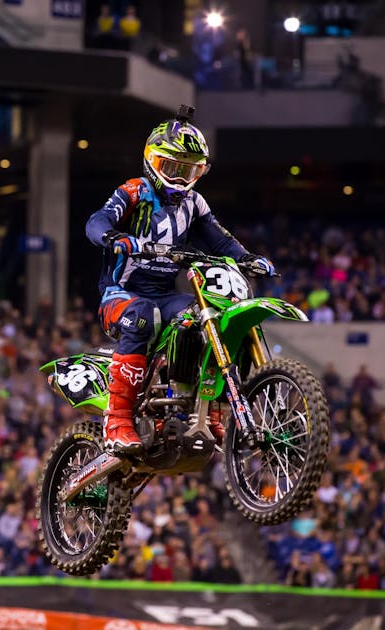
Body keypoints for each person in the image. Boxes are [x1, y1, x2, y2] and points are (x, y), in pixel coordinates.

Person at [85, 107, 275, 453]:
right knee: (142, 317)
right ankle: (117, 420)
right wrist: (114, 238)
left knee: (205, 319)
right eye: (173, 168)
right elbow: (97, 221)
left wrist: (248, 258)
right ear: (153, 161)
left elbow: (220, 240)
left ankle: (207, 412)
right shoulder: (134, 190)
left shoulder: (195, 203)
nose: (181, 178)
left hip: (164, 295)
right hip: (119, 295)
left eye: (190, 170)